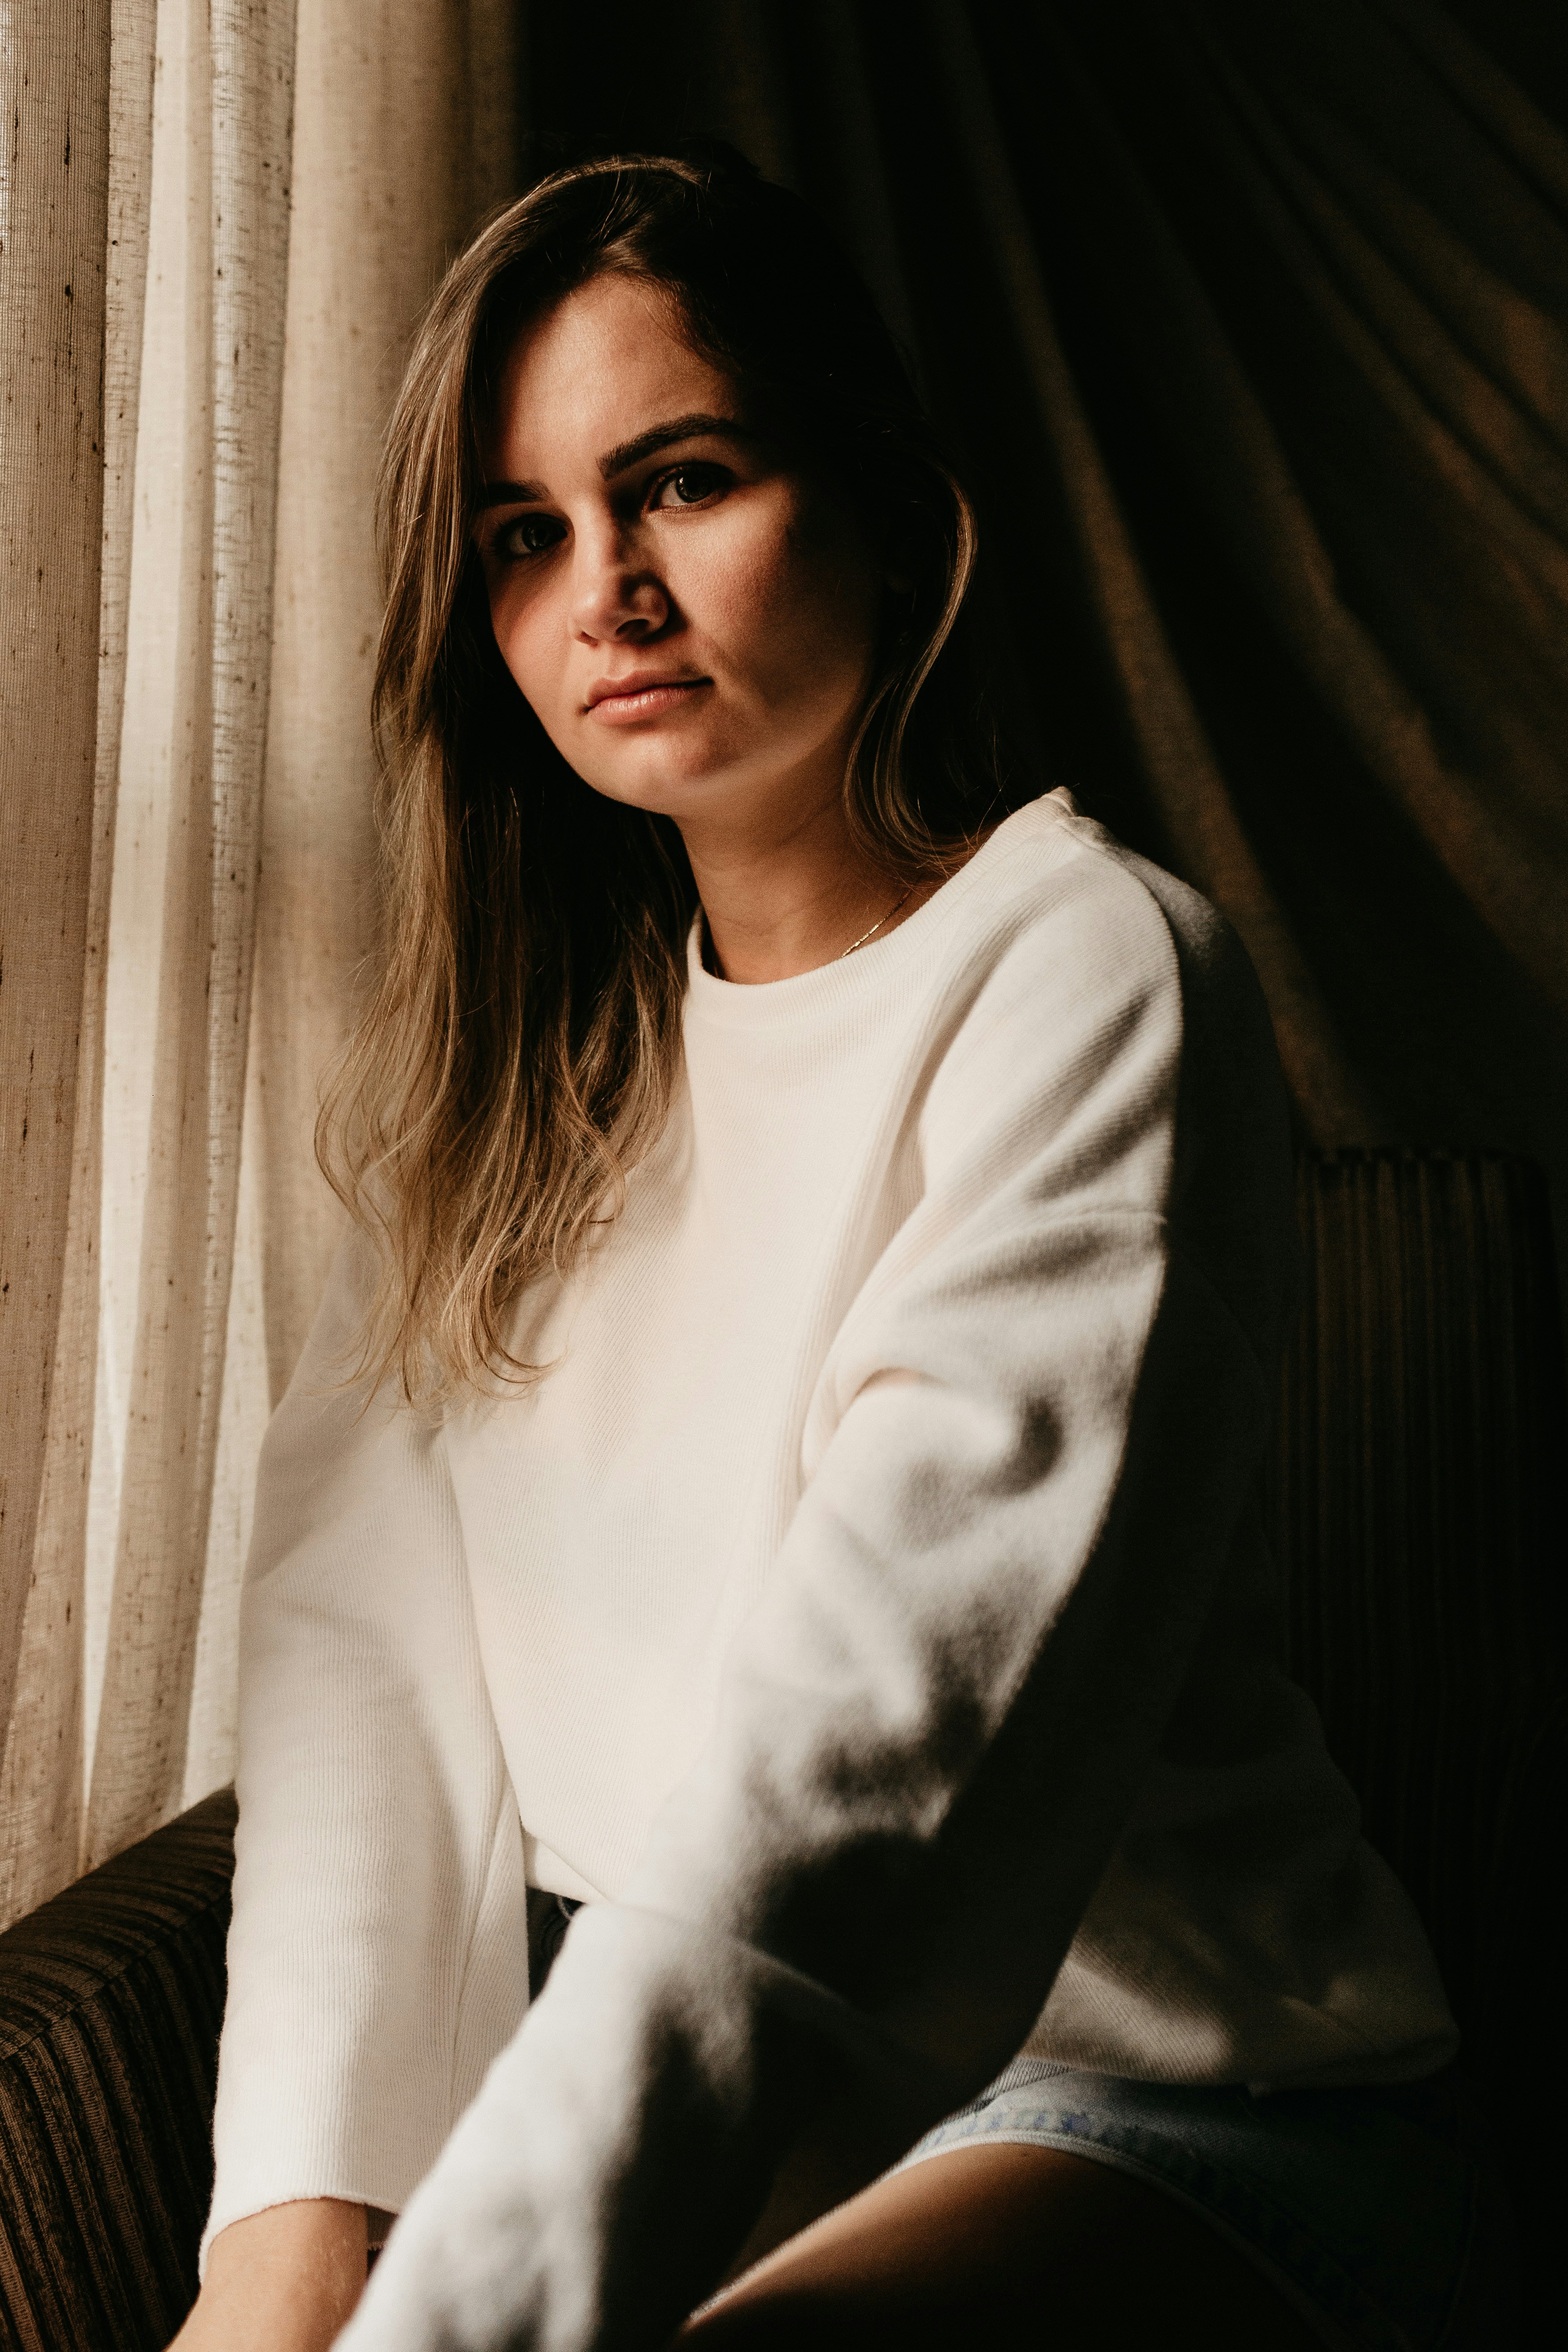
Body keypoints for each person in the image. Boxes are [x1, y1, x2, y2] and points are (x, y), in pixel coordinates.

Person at [171, 148, 1492, 2352]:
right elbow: (363, 1694)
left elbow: (862, 1766)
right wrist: (282, 2258)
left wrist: (446, 2321)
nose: (606, 591)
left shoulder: (1086, 968)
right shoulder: (488, 1083)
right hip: (723, 2148)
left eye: (678, 482)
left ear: (883, 508)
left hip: (1177, 2110)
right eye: (521, 535)